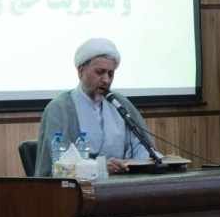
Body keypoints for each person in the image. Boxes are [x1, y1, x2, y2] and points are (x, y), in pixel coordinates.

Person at [33, 37, 160, 177]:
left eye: (110, 74)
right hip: (80, 187)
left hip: (122, 184)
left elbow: (139, 147)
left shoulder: (119, 103)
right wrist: (100, 168)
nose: (106, 80)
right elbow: (60, 166)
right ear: (81, 71)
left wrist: (160, 161)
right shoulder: (59, 109)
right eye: (100, 72)